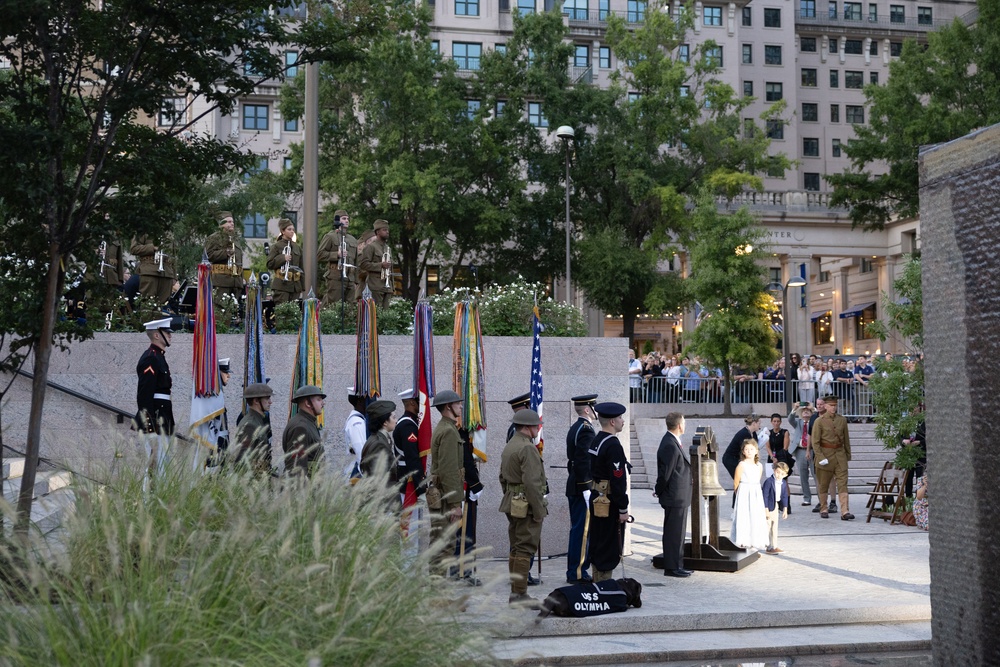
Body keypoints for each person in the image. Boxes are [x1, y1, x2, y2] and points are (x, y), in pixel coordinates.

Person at [499, 409, 548, 609]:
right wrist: (538, 511)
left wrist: (511, 495)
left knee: (516, 547)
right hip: (526, 505)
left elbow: (502, 477)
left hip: (513, 502)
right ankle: (520, 595)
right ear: (528, 427)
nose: (538, 428)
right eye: (536, 425)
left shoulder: (511, 445)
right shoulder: (527, 448)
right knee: (525, 548)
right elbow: (532, 483)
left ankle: (516, 592)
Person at [587, 402, 630, 582]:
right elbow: (618, 480)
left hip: (597, 497)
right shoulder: (613, 445)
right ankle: (603, 584)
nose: (623, 421)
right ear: (612, 422)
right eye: (620, 418)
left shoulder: (597, 440)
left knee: (598, 540)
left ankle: (597, 580)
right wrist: (623, 508)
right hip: (609, 501)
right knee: (608, 544)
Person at [133, 317, 176, 488]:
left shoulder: (159, 357)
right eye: (167, 333)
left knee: (163, 467)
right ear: (157, 335)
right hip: (155, 419)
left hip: (163, 417)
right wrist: (150, 428)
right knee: (153, 468)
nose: (170, 336)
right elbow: (144, 396)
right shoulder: (151, 358)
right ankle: (148, 500)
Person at [428, 390, 465, 577]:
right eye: (457, 403)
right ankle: (437, 592)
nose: (461, 406)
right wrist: (455, 504)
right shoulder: (448, 431)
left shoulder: (446, 428)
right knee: (444, 545)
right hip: (445, 498)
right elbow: (449, 470)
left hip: (442, 495)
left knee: (440, 543)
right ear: (448, 406)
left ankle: (437, 589)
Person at [655, 412, 692, 578]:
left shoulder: (673, 441)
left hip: (679, 496)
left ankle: (678, 564)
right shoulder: (669, 444)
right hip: (674, 496)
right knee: (673, 534)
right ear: (679, 425)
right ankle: (671, 567)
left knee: (679, 533)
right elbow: (666, 473)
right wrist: (658, 490)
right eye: (684, 422)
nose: (685, 425)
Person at [565, 394, 597, 584]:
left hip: (574, 484)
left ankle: (576, 570)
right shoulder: (586, 430)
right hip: (581, 486)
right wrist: (586, 487)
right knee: (582, 532)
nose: (595, 410)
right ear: (587, 409)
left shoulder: (576, 427)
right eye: (593, 407)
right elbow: (584, 460)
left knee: (578, 530)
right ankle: (577, 572)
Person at [811, 394, 853, 520]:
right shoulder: (819, 421)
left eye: (835, 405)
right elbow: (815, 442)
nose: (833, 408)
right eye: (831, 405)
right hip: (826, 456)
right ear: (825, 406)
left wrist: (847, 454)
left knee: (843, 483)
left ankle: (845, 511)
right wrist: (820, 457)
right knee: (823, 484)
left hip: (840, 455)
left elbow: (846, 439)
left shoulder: (842, 420)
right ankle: (824, 508)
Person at [204, 211, 245, 315]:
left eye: (232, 221)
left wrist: (241, 279)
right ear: (221, 224)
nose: (232, 224)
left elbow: (239, 261)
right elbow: (209, 255)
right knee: (220, 312)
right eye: (228, 222)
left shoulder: (235, 239)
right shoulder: (214, 237)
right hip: (221, 281)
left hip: (235, 281)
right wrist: (225, 253)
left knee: (231, 312)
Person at [730, 440, 768, 551]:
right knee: (744, 517)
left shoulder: (759, 465)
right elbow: (736, 482)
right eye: (746, 449)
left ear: (756, 451)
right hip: (744, 492)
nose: (749, 451)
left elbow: (758, 479)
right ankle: (743, 541)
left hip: (755, 492)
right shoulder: (742, 465)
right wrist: (740, 495)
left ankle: (754, 541)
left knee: (755, 517)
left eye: (751, 449)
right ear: (743, 452)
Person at [282, 385, 326, 478]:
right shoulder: (300, 427)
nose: (323, 403)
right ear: (308, 403)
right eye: (318, 400)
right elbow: (296, 467)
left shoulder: (308, 422)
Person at [360, 399, 399, 503]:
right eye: (393, 417)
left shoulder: (379, 439)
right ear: (385, 422)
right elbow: (379, 479)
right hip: (384, 501)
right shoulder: (379, 444)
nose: (396, 420)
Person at [317, 209, 358, 308]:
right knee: (334, 305)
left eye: (347, 219)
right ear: (337, 220)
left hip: (350, 278)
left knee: (350, 307)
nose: (347, 221)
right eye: (344, 218)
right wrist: (337, 254)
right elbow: (320, 255)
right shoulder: (330, 236)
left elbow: (356, 261)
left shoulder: (352, 239)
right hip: (336, 276)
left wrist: (356, 281)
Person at [231, 382, 273, 476]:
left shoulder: (258, 420)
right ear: (256, 401)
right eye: (267, 398)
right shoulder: (249, 425)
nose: (270, 402)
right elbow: (242, 461)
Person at [356, 219, 393, 308]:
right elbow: (364, 264)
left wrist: (392, 287)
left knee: (386, 314)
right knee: (376, 313)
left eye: (387, 230)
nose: (387, 232)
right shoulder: (371, 247)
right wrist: (380, 265)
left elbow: (390, 268)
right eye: (384, 230)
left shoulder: (388, 248)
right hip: (375, 285)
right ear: (378, 232)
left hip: (387, 287)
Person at [809, 397, 837, 514]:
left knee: (831, 477)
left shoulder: (832, 417)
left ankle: (833, 502)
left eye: (821, 404)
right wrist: (808, 450)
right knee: (819, 478)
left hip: (830, 450)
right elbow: (810, 435)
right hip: (817, 451)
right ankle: (822, 501)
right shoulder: (813, 418)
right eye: (818, 404)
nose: (819, 406)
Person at [266, 218, 303, 305]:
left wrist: (302, 286)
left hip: (295, 286)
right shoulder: (277, 246)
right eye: (289, 229)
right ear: (283, 231)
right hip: (282, 286)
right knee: (282, 311)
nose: (292, 231)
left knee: (294, 311)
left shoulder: (297, 247)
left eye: (293, 229)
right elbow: (269, 264)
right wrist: (282, 258)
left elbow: (301, 267)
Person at [131, 235, 176, 305]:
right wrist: (152, 247)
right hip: (149, 272)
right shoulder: (144, 230)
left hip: (167, 274)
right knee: (147, 304)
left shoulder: (169, 232)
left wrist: (174, 276)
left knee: (163, 305)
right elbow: (134, 249)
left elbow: (173, 256)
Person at [787, 402, 814, 506]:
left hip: (812, 450)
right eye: (804, 411)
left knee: (816, 475)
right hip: (800, 450)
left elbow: (820, 417)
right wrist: (795, 408)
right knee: (803, 476)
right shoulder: (798, 422)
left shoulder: (815, 421)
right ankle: (807, 498)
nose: (805, 412)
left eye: (808, 411)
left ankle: (821, 499)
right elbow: (790, 419)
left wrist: (813, 408)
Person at [762, 461, 791, 554]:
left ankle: (774, 546)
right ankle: (765, 546)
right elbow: (765, 496)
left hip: (776, 505)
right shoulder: (769, 481)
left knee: (774, 527)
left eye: (782, 474)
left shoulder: (783, 483)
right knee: (767, 526)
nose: (779, 475)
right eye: (778, 472)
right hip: (768, 506)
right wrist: (766, 509)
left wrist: (785, 509)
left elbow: (784, 496)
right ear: (774, 470)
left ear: (785, 475)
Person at [722, 414, 760, 481]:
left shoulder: (753, 434)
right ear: (754, 423)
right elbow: (745, 450)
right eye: (759, 424)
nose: (759, 426)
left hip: (739, 458)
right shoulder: (744, 434)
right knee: (740, 479)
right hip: (731, 459)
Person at [343, 389, 367, 481]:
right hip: (357, 474)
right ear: (360, 402)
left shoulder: (360, 419)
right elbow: (361, 452)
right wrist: (366, 476)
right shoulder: (356, 422)